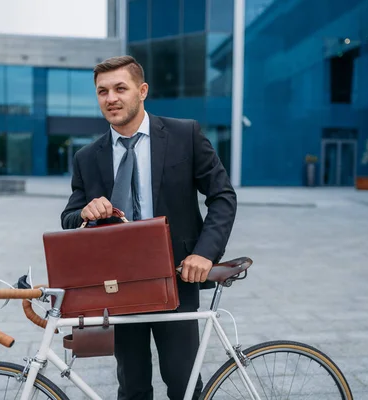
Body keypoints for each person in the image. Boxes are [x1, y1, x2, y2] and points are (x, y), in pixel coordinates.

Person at [60, 55, 237, 400]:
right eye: (102, 91)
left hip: (177, 276)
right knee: (132, 385)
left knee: (184, 383)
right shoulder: (87, 157)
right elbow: (69, 218)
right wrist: (86, 212)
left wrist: (204, 253)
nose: (110, 98)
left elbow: (222, 196)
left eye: (120, 88)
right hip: (119, 285)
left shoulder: (184, 134)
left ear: (142, 91)